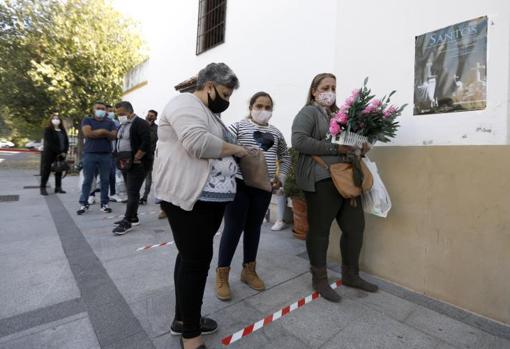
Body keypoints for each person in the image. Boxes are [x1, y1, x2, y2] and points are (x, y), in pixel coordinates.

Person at [153, 62, 248, 349]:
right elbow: (197, 143)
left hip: (207, 201)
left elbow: (216, 139)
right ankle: (191, 337)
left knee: (189, 258)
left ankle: (183, 319)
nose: (227, 100)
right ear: (208, 87)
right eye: (225, 93)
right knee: (195, 262)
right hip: (189, 199)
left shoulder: (208, 112)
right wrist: (238, 149)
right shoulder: (184, 102)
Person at [291, 73, 378, 303]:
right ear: (314, 91)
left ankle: (351, 275)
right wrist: (336, 149)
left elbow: (349, 144)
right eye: (325, 87)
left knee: (355, 228)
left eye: (333, 87)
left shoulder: (340, 115)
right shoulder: (308, 113)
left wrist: (360, 146)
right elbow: (299, 141)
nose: (330, 91)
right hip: (321, 179)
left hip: (347, 179)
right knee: (320, 231)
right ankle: (319, 279)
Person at [215, 92, 290, 301]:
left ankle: (249, 271)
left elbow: (285, 156)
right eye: (259, 105)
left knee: (254, 228)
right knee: (232, 228)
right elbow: (221, 147)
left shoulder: (276, 133)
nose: (263, 110)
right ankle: (222, 274)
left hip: (263, 188)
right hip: (239, 185)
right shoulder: (237, 127)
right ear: (251, 106)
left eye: (267, 107)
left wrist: (281, 177)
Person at [112, 101, 152, 235]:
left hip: (137, 163)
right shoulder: (123, 124)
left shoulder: (140, 123)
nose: (120, 116)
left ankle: (127, 221)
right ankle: (133, 217)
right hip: (125, 162)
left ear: (130, 111)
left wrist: (137, 157)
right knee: (131, 192)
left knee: (132, 192)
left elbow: (146, 142)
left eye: (122, 113)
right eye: (118, 114)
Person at [77, 101, 117, 215]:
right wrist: (104, 132)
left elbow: (114, 136)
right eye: (98, 108)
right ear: (93, 110)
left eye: (103, 109)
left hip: (106, 154)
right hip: (90, 154)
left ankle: (104, 203)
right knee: (88, 180)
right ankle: (83, 203)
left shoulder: (110, 122)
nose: (101, 110)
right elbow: (88, 134)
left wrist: (99, 133)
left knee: (105, 180)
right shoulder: (87, 120)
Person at [40, 113, 69, 195]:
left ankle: (58, 187)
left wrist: (65, 151)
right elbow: (50, 143)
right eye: (54, 118)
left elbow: (66, 142)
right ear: (51, 120)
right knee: (46, 171)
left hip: (61, 154)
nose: (56, 120)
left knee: (59, 170)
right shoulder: (48, 130)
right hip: (50, 154)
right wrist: (60, 152)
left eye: (58, 119)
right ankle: (43, 187)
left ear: (60, 121)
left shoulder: (62, 130)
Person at [139, 109, 158, 205]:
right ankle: (136, 196)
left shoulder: (157, 128)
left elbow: (155, 140)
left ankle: (144, 197)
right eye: (148, 115)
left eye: (152, 116)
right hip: (138, 155)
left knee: (148, 176)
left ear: (155, 118)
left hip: (150, 155)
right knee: (137, 176)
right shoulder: (140, 125)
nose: (149, 117)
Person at [107, 104, 124, 203]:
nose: (111, 113)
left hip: (113, 152)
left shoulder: (117, 123)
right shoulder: (102, 123)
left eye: (112, 111)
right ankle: (91, 195)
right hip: (103, 152)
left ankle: (112, 194)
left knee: (112, 174)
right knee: (97, 175)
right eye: (109, 111)